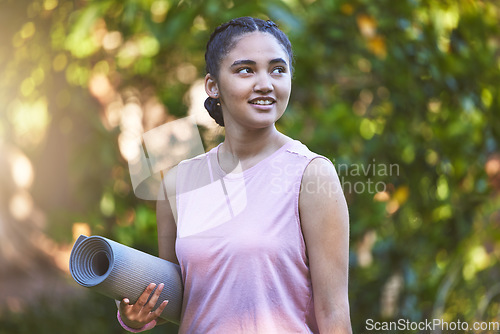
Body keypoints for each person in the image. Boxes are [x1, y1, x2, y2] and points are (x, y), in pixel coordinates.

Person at [117, 16, 351, 333]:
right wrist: (135, 316)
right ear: (213, 85)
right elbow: (175, 299)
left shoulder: (311, 174)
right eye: (246, 69)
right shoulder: (178, 183)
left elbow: (333, 311)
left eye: (278, 69)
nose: (265, 83)